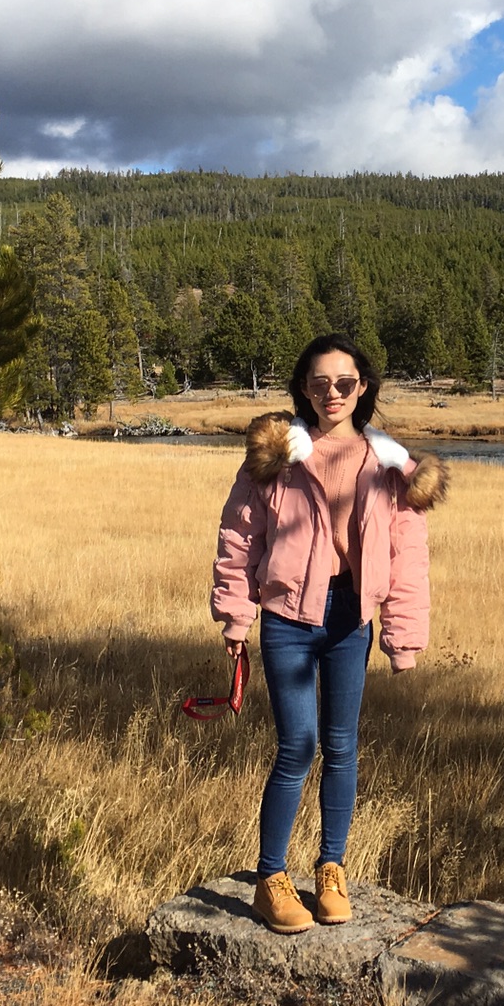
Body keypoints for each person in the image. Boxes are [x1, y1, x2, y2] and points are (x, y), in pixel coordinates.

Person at [211, 333, 447, 935]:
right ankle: (271, 878)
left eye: (345, 383)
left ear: (363, 387)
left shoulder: (390, 465)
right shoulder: (274, 457)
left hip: (349, 621)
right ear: (303, 388)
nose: (332, 393)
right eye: (319, 383)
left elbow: (406, 553)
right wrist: (237, 618)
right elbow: (240, 540)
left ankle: (331, 870)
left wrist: (404, 637)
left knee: (342, 746)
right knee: (298, 746)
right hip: (288, 619)